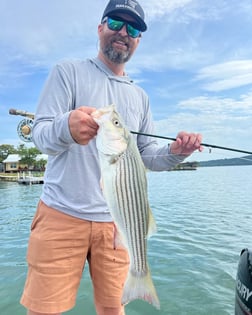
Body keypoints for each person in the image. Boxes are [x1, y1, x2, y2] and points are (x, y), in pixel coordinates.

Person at [20, 0, 203, 314]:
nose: (123, 32)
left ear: (138, 40)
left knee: (113, 310)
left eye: (133, 28)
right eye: (116, 22)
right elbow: (40, 134)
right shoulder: (68, 72)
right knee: (43, 309)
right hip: (61, 213)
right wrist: (67, 126)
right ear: (100, 27)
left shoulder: (140, 97)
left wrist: (176, 153)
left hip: (118, 223)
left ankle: (141, 278)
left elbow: (146, 157)